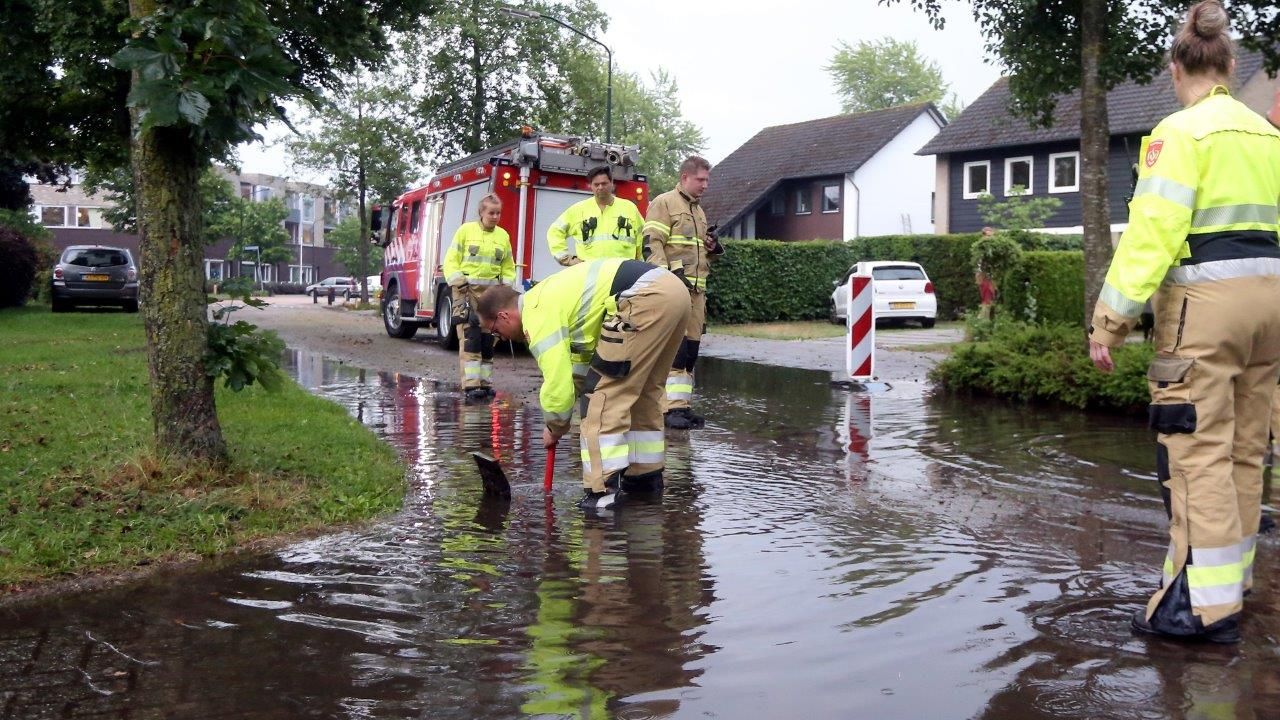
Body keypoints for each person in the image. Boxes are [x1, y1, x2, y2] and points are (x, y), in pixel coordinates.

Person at [1088, 0, 1280, 644]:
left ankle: (1200, 609)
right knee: (1247, 452)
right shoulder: (1270, 137)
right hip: (1273, 313)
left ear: (1178, 69)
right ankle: (1235, 584)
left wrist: (1109, 320)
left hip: (1205, 315)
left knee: (1197, 452)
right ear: (1228, 65)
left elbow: (1152, 236)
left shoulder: (1178, 134)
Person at [476, 259, 691, 511]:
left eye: (493, 330)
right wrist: (558, 419)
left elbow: (558, 386)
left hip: (641, 297)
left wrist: (555, 426)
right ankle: (644, 484)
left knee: (601, 397)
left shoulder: (536, 314)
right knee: (641, 392)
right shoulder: (550, 296)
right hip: (675, 293)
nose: (498, 337)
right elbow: (578, 369)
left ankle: (601, 495)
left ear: (504, 315)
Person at [643, 155, 724, 430]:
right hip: (675, 290)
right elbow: (651, 245)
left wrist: (712, 248)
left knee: (690, 351)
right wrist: (664, 282)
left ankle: (681, 407)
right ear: (685, 177)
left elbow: (696, 251)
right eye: (701, 180)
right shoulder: (664, 203)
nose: (705, 185)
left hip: (697, 291)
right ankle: (667, 409)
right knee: (674, 351)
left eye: (707, 180)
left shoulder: (698, 211)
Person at [441, 194, 515, 402]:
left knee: (488, 340)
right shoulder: (466, 231)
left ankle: (485, 383)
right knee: (470, 337)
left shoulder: (503, 236)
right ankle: (471, 385)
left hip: (492, 296)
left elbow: (508, 267)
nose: (495, 217)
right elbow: (451, 261)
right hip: (466, 292)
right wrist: (459, 281)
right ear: (481, 212)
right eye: (491, 212)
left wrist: (506, 288)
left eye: (498, 213)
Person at [547, 166, 645, 266]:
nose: (600, 187)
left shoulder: (629, 208)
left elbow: (643, 238)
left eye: (604, 183)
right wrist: (566, 259)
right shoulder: (578, 210)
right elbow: (554, 231)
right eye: (596, 184)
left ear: (612, 183)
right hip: (589, 273)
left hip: (622, 271)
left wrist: (642, 268)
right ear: (590, 186)